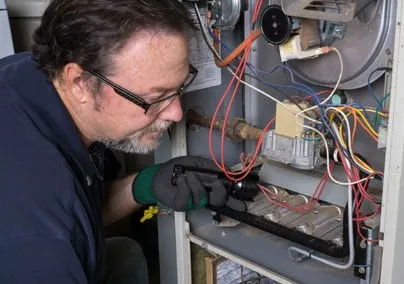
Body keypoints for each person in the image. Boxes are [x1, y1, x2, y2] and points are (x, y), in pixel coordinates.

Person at [0, 0, 244, 283]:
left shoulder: (31, 72)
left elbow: (82, 211)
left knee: (126, 254)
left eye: (179, 88)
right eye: (155, 98)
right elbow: (62, 221)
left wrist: (145, 184)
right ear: (80, 83)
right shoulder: (43, 239)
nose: (176, 113)